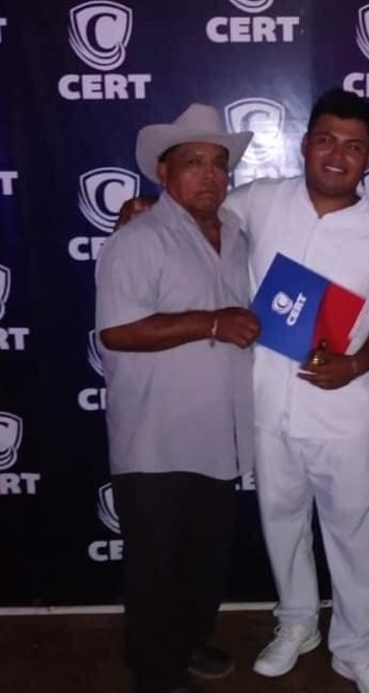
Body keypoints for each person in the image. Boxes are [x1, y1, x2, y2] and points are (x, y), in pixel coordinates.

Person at [222, 88, 369, 693]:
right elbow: (198, 215)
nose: (337, 155)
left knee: (351, 532)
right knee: (281, 522)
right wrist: (147, 207)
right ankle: (297, 623)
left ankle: (354, 647)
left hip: (341, 411)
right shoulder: (260, 199)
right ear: (305, 144)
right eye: (326, 140)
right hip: (267, 403)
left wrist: (354, 365)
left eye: (353, 146)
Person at [94, 103, 260, 693]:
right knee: (156, 566)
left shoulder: (238, 234)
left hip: (219, 433)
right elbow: (117, 332)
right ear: (163, 173)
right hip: (156, 439)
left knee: (204, 561)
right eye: (193, 162)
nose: (210, 175)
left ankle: (188, 643)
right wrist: (210, 323)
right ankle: (157, 675)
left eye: (219, 163)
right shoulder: (137, 239)